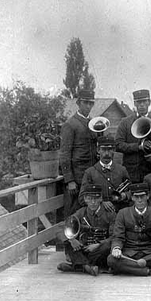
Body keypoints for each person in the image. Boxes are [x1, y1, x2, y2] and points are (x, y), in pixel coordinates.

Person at [107, 183, 151, 276]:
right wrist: (116, 248)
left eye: (142, 196)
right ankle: (149, 271)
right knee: (111, 259)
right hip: (129, 252)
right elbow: (118, 236)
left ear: (148, 196)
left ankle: (128, 267)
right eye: (136, 197)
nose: (140, 200)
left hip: (149, 253)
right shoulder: (122, 213)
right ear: (132, 198)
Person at [57, 184, 116, 276]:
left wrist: (98, 244)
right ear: (85, 199)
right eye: (89, 199)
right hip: (83, 249)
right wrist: (72, 239)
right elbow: (61, 228)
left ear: (101, 199)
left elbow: (114, 236)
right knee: (68, 243)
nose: (93, 202)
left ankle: (79, 266)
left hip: (99, 251)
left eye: (96, 199)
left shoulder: (110, 214)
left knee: (108, 246)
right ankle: (87, 267)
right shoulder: (81, 212)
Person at [115, 89, 151, 183]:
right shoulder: (125, 123)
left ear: (149, 102)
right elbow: (118, 145)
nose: (142, 105)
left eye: (144, 101)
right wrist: (138, 147)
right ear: (135, 103)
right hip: (130, 171)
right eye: (139, 102)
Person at [60, 89, 98, 217]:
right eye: (85, 102)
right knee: (73, 213)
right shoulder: (70, 124)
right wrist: (69, 180)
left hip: (91, 176)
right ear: (78, 103)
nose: (88, 106)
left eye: (90, 103)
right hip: (77, 178)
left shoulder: (93, 123)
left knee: (89, 213)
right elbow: (65, 153)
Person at [79, 135, 131, 212]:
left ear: (114, 150)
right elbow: (82, 198)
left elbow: (131, 191)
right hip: (99, 214)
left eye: (110, 149)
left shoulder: (122, 170)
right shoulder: (90, 172)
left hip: (119, 213)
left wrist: (124, 196)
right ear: (98, 150)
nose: (106, 153)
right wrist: (101, 202)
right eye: (103, 149)